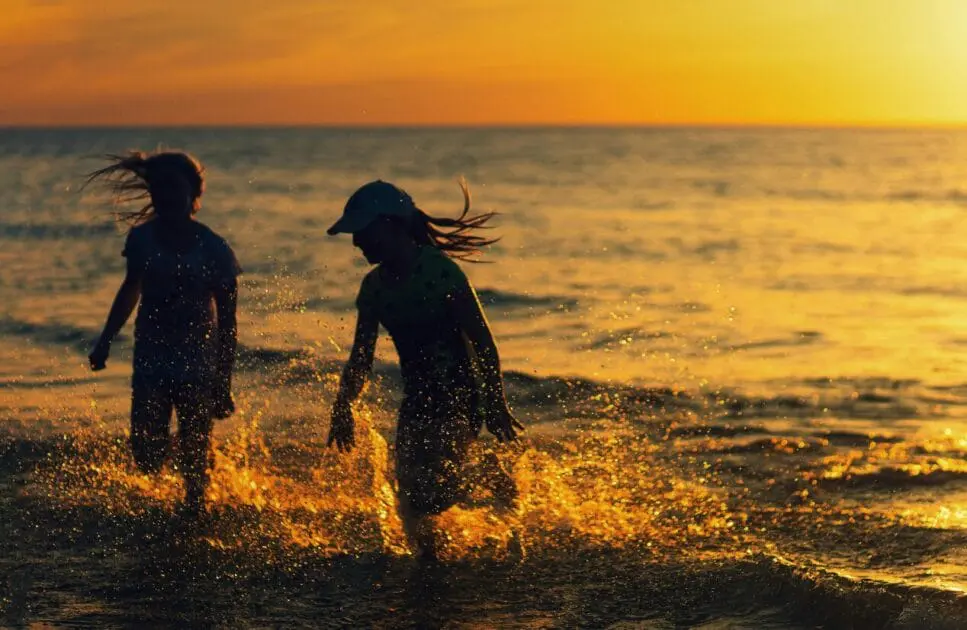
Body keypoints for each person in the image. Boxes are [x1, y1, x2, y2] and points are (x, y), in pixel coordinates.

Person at [326, 179, 523, 558]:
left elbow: (483, 341)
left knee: (434, 492)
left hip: (460, 395)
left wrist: (495, 403)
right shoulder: (374, 289)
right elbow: (361, 357)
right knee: (410, 498)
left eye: (363, 231)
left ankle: (489, 475)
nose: (356, 242)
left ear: (392, 224)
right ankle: (430, 562)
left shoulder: (440, 272)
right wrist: (342, 406)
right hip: (416, 400)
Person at [86, 150, 241, 518]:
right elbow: (130, 289)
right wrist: (105, 340)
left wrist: (223, 382)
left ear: (194, 192)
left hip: (197, 359)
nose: (167, 195)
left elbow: (229, 323)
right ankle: (190, 451)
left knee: (193, 456)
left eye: (174, 187)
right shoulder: (142, 239)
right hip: (152, 356)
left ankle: (194, 509)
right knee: (146, 455)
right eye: (159, 188)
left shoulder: (215, 249)